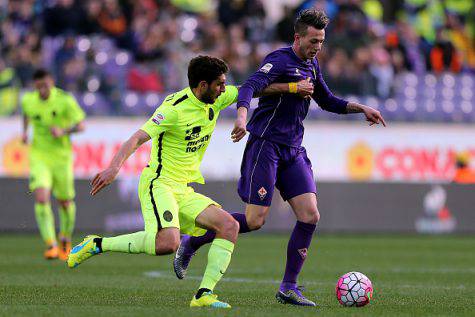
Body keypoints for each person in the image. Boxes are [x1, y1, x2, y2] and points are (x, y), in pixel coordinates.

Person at [174, 9, 386, 306]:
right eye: (313, 40)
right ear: (298, 37)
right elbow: (249, 86)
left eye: (321, 41)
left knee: (310, 215)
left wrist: (360, 107)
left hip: (293, 149)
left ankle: (288, 287)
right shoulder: (279, 60)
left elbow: (326, 100)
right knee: (255, 220)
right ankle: (193, 240)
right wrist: (241, 117)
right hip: (266, 146)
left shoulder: (312, 64)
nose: (317, 47)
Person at [67, 55, 306, 308]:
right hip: (159, 183)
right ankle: (96, 244)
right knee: (167, 243)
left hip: (183, 188)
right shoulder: (173, 108)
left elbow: (252, 89)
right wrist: (113, 168)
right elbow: (137, 137)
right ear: (202, 85)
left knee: (229, 226)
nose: (224, 89)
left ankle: (204, 295)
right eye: (220, 84)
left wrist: (293, 88)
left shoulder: (217, 97)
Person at [22, 69, 86, 260]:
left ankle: (65, 238)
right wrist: (25, 131)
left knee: (65, 202)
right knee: (42, 198)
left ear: (52, 82)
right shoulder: (28, 100)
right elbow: (26, 114)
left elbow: (81, 125)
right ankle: (51, 244)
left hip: (62, 158)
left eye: (45, 85)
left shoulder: (65, 100)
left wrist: (64, 130)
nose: (42, 90)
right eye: (39, 86)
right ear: (35, 85)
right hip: (39, 156)